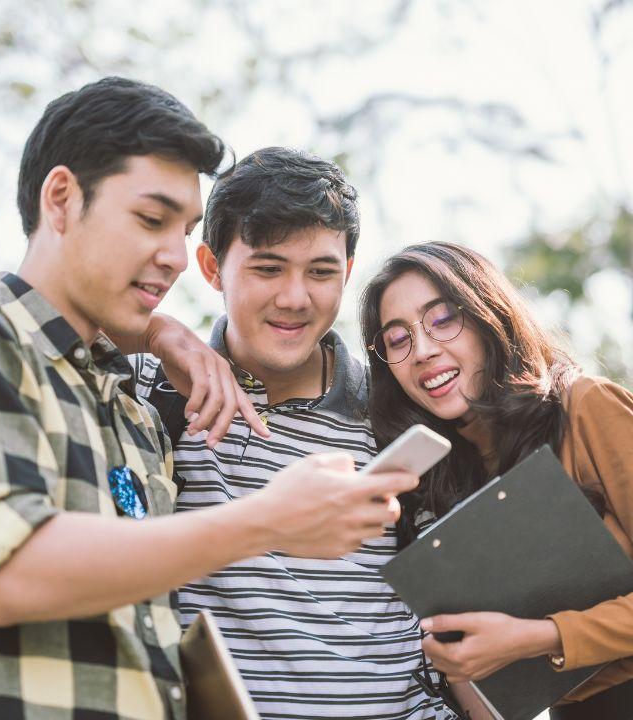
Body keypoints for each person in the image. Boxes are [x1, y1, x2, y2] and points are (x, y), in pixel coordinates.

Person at [0, 78, 417, 720]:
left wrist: (164, 334)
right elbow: (6, 572)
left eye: (183, 228)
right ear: (61, 198)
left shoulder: (132, 405)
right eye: (151, 219)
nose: (174, 257)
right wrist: (272, 519)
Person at [359, 242, 633, 720]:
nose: (423, 350)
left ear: (489, 315)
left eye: (443, 319)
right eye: (397, 339)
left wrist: (542, 636)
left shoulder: (586, 407)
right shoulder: (444, 483)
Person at [133, 147, 452, 719]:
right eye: (268, 267)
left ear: (348, 273)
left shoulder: (396, 409)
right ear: (211, 268)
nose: (295, 298)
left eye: (322, 271)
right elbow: (38, 317)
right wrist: (157, 333)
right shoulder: (150, 393)